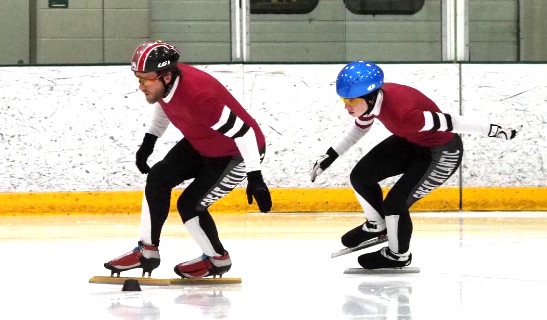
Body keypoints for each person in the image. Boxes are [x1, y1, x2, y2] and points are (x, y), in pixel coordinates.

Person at [311, 61, 521, 269]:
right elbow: (360, 127)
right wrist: (331, 156)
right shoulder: (373, 100)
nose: (346, 106)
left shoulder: (405, 115)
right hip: (413, 142)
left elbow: (452, 123)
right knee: (361, 176)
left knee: (395, 204)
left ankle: (398, 255)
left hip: (442, 153)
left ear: (369, 96)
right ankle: (377, 226)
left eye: (351, 100)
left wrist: (494, 130)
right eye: (343, 99)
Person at [104, 40, 272, 278]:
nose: (141, 85)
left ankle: (217, 259)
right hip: (203, 141)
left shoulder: (200, 97)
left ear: (167, 77)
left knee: (190, 204)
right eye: (138, 78)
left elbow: (244, 133)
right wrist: (149, 141)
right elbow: (165, 105)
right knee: (158, 177)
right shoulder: (166, 85)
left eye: (146, 79)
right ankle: (147, 251)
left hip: (238, 153)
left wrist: (255, 177)